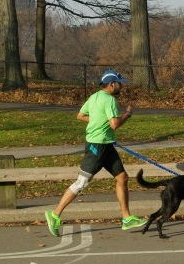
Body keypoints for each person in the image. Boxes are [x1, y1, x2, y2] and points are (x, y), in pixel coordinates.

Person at [45, 69, 147, 237]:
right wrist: (127, 114)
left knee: (122, 177)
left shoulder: (94, 97)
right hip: (96, 147)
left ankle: (127, 218)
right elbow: (114, 124)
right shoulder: (110, 100)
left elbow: (81, 115)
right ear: (111, 84)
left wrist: (98, 122)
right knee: (81, 183)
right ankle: (55, 215)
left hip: (106, 145)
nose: (121, 86)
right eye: (119, 83)